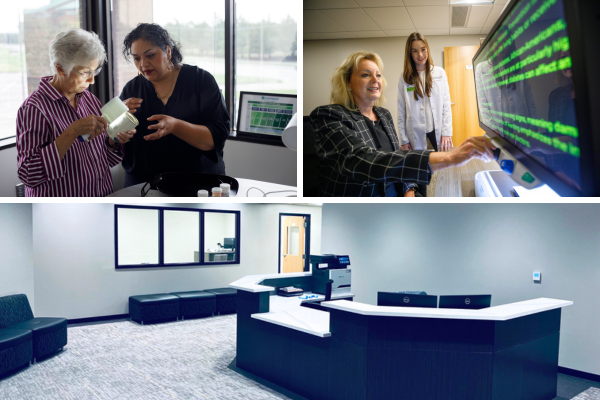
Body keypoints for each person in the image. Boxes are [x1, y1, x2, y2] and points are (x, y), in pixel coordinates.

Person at [310, 51, 496, 197]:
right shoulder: (329, 116)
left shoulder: (382, 115)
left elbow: (395, 156)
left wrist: (409, 191)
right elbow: (364, 161)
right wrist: (449, 157)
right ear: (348, 82)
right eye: (366, 75)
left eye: (378, 75)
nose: (375, 80)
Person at [16, 28, 134, 197]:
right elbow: (28, 175)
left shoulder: (90, 100)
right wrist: (72, 132)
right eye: (86, 72)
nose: (92, 80)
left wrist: (113, 140)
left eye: (95, 71)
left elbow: (103, 161)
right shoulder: (34, 109)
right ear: (60, 69)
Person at [119, 23, 230, 187]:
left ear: (168, 51)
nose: (143, 64)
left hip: (199, 184)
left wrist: (175, 126)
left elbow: (215, 139)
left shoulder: (200, 81)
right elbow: (113, 139)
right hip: (144, 187)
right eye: (136, 58)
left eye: (150, 55)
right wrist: (119, 129)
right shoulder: (132, 89)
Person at [397, 33, 453, 196]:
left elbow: (446, 104)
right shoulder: (404, 77)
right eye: (415, 51)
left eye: (423, 49)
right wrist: (403, 139)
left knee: (441, 171)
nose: (420, 55)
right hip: (414, 133)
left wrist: (446, 132)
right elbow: (401, 109)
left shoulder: (440, 73)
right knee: (419, 173)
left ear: (427, 49)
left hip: (436, 133)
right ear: (409, 53)